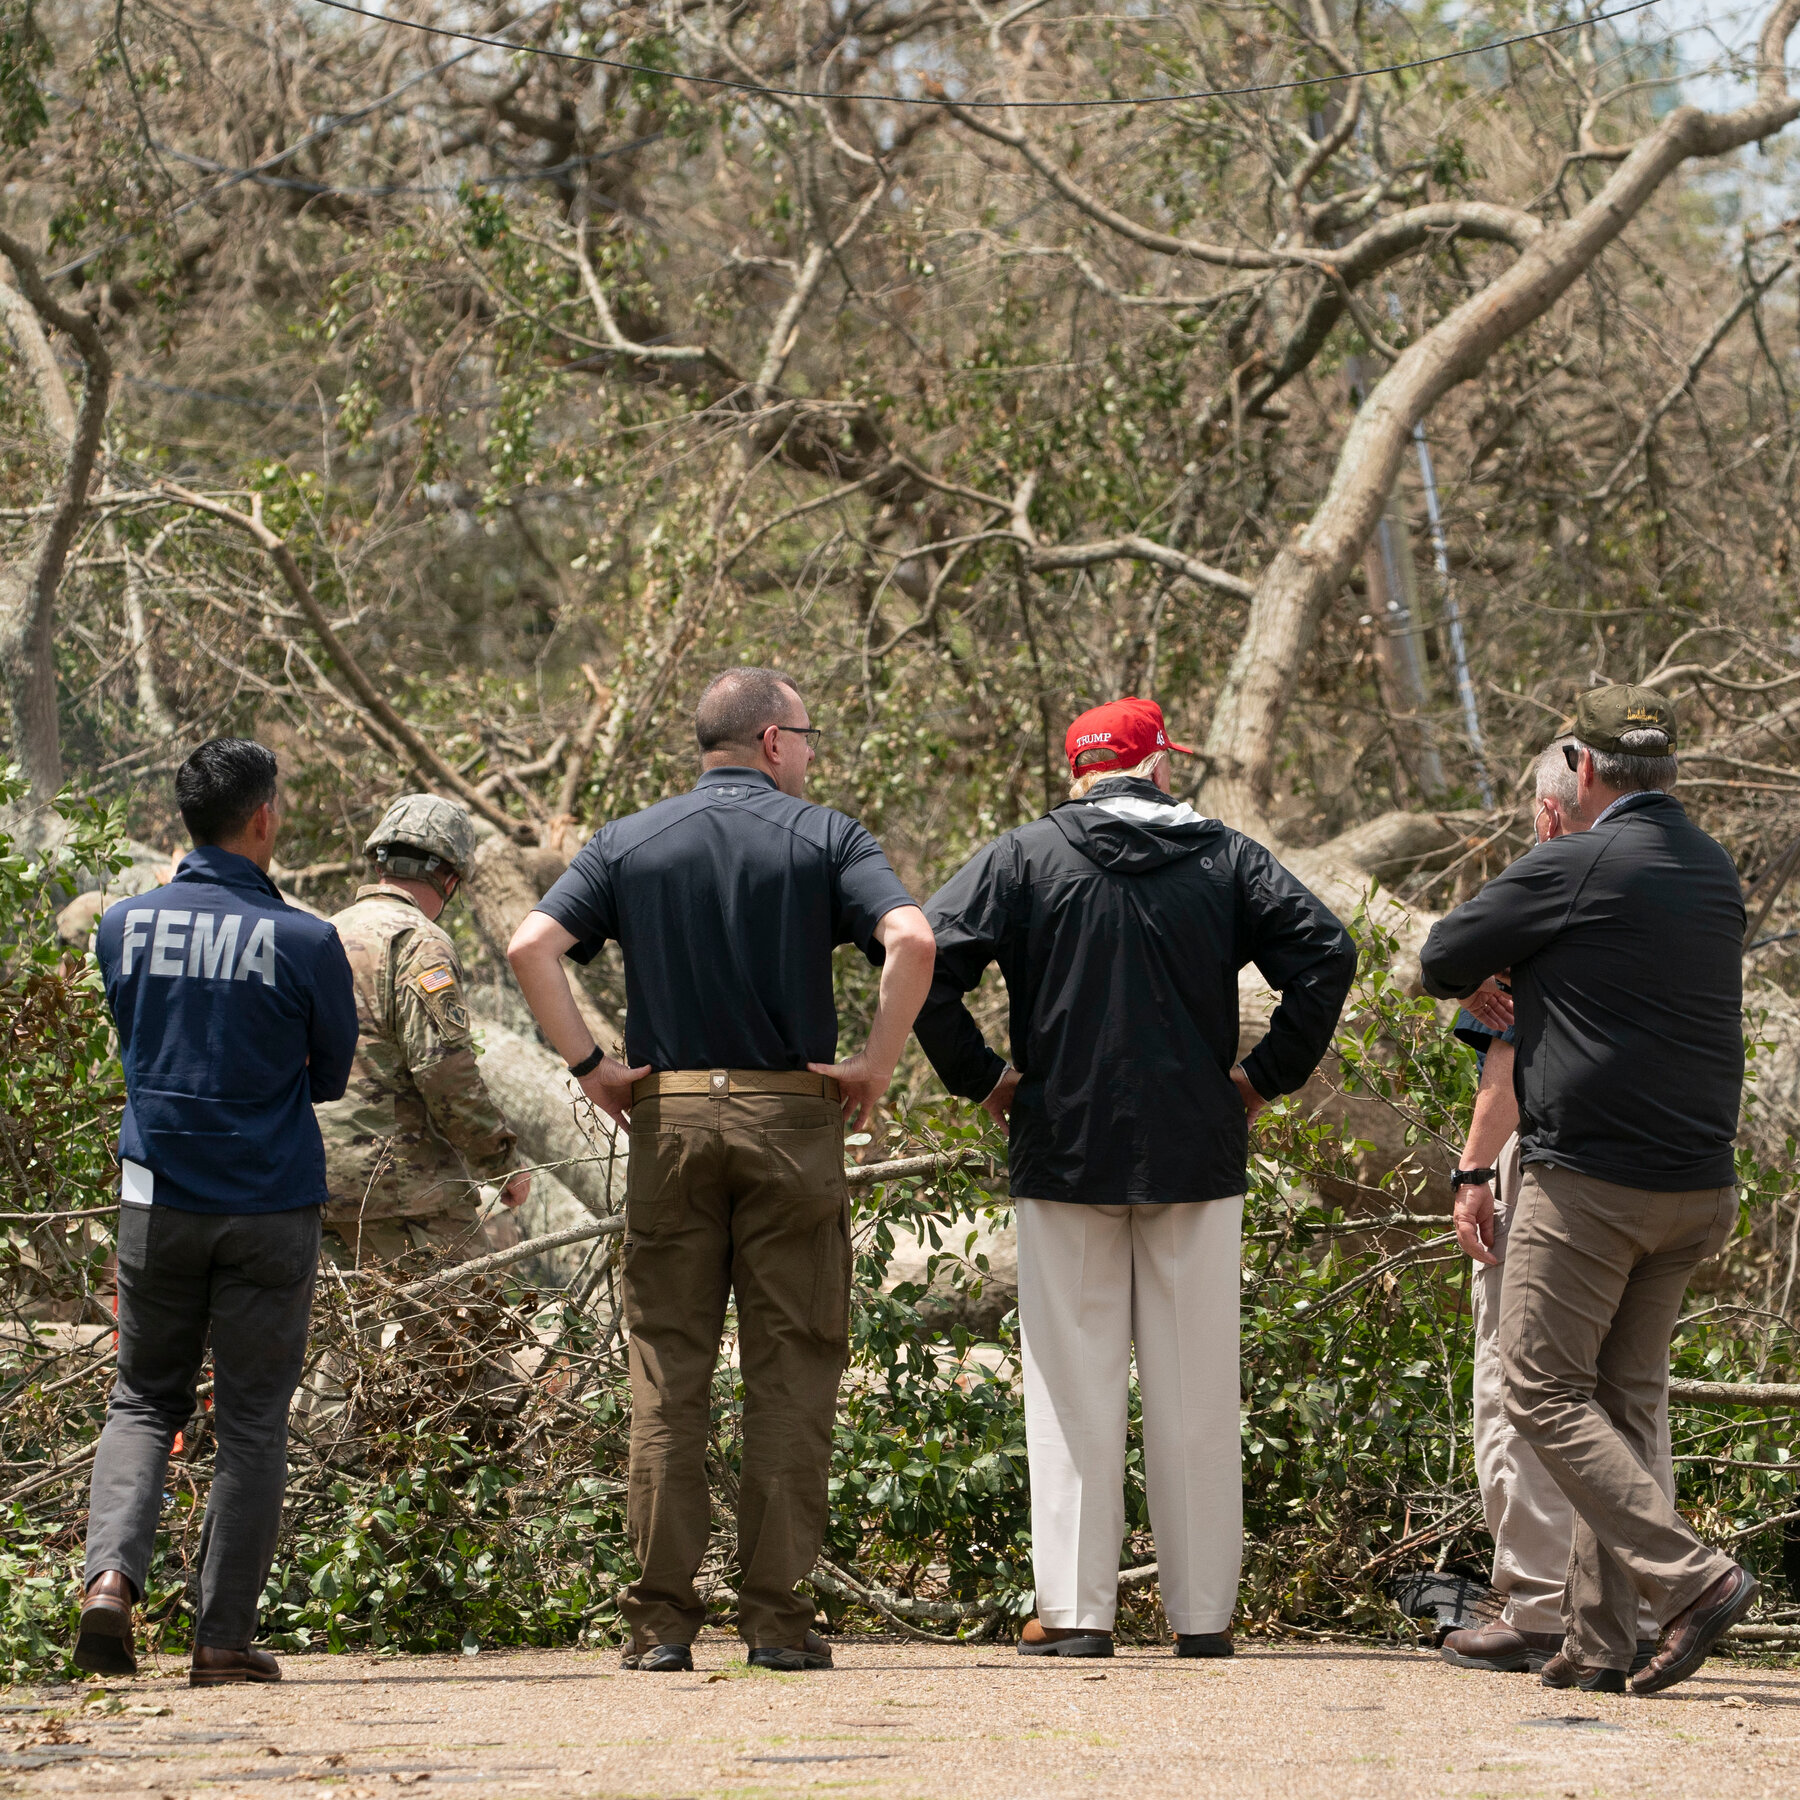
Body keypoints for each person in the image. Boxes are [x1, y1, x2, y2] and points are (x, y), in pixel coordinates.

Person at [506, 667, 936, 1673]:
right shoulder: (827, 836)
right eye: (809, 734)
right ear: (776, 742)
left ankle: (660, 1627)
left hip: (673, 1119)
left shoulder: (624, 841)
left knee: (667, 1366)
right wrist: (875, 1064)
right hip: (793, 1116)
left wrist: (590, 1064)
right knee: (792, 1365)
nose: (813, 753)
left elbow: (533, 945)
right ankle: (777, 1623)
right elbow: (911, 936)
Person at [914, 696, 1357, 1659]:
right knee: (1197, 1386)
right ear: (1158, 765)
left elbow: (923, 958)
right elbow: (1328, 951)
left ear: (1079, 773)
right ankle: (1203, 1616)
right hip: (1198, 1147)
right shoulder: (1225, 856)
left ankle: (1076, 1615)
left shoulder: (1025, 856)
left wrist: (983, 1077)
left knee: (1072, 1385)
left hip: (1062, 1146)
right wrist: (1263, 1077)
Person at [1421, 687, 1755, 1696]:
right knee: (1619, 1401)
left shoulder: (1575, 860)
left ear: (1581, 771)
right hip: (1698, 1184)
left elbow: (1441, 956)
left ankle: (1692, 1580)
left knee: (1537, 1386)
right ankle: (1598, 1641)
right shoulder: (1711, 868)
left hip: (1593, 1183)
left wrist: (1499, 966)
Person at [76, 739, 357, 1686]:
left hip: (157, 1196)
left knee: (141, 1399)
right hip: (271, 1203)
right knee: (251, 1421)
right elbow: (330, 1074)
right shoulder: (309, 941)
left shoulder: (122, 925)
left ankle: (109, 1584)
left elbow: (134, 1039)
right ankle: (221, 1640)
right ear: (264, 819)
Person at [1438, 740, 1668, 1676]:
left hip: (1560, 1162)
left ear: (1546, 812)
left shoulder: (1547, 884)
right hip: (1660, 1160)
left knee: (1519, 1377)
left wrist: (1472, 1171)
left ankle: (1538, 1602)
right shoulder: (1664, 883)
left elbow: (1506, 1056)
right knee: (1626, 1395)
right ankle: (1643, 1602)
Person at [315, 795, 530, 1268]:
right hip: (406, 1193)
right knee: (469, 1338)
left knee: (332, 1340)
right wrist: (500, 1163)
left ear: (379, 862)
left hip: (313, 1187)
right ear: (450, 878)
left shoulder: (321, 935)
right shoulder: (419, 942)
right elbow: (444, 1072)